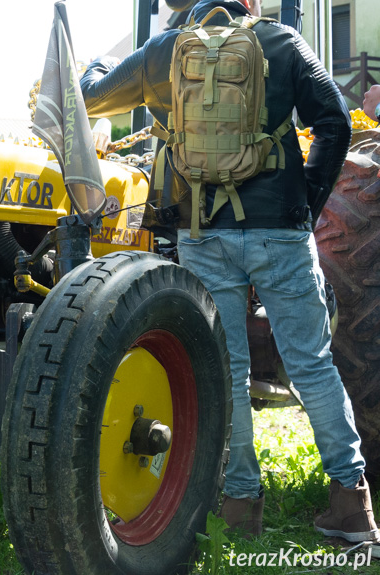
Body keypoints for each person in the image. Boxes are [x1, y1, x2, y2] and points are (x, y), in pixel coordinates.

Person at [81, 0, 379, 543]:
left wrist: (93, 69)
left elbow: (91, 100)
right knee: (311, 365)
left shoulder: (166, 51)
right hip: (280, 233)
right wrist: (304, 208)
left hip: (203, 233)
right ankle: (351, 507)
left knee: (228, 372)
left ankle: (241, 506)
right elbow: (334, 122)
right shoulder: (282, 42)